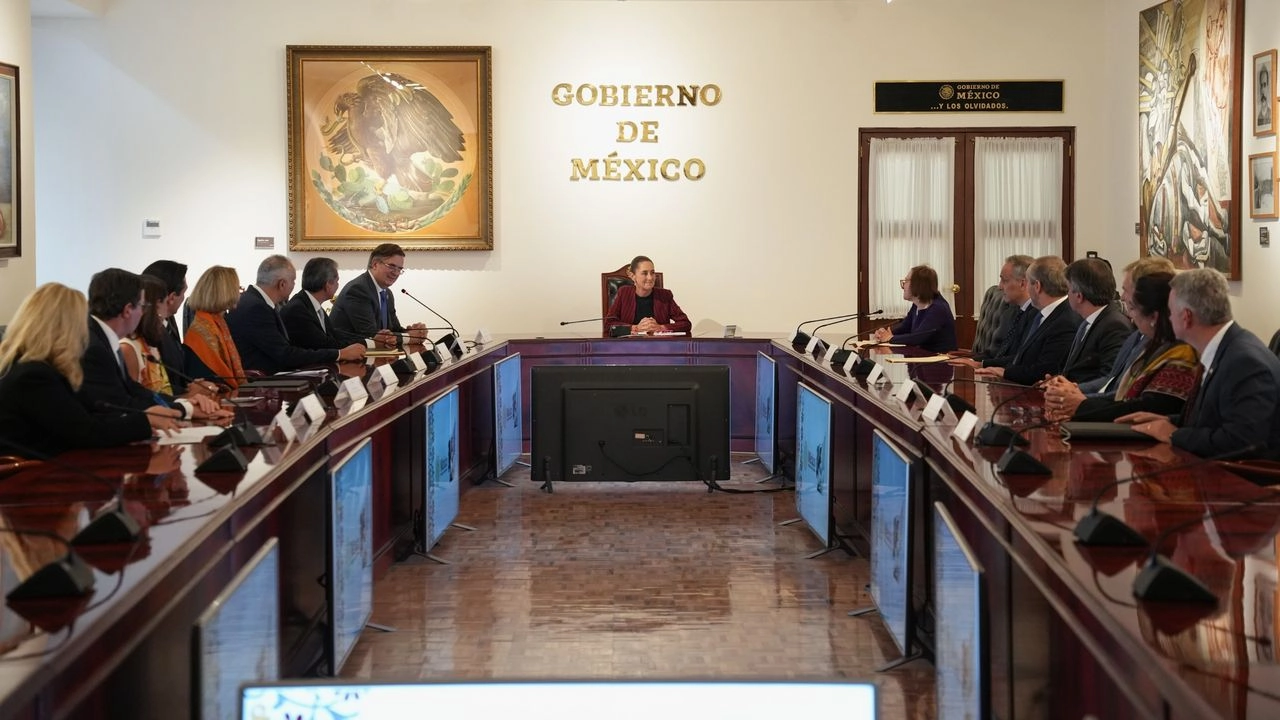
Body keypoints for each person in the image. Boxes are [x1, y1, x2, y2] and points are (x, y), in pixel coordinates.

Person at [1119, 269, 1280, 460]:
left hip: (1244, 481)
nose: (1168, 318)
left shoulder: (1245, 362)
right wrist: (1169, 421)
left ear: (1186, 317)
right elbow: (1213, 420)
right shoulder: (1225, 347)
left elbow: (1242, 441)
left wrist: (1173, 433)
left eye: (1170, 312)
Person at [0, 283, 172, 458]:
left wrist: (141, 419)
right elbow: (86, 432)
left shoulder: (34, 366)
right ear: (65, 328)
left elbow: (86, 418)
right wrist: (144, 421)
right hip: (28, 477)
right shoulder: (33, 376)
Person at [1045, 272, 1197, 423]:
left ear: (1154, 317)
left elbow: (1151, 406)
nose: (1131, 316)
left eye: (1133, 309)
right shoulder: (1152, 344)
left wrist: (1081, 406)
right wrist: (1075, 401)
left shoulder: (1182, 352)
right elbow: (1122, 396)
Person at [79, 268, 222, 421]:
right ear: (128, 310)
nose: (143, 313)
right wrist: (182, 409)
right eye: (142, 306)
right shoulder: (94, 348)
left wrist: (185, 405)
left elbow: (136, 391)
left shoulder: (102, 339)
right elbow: (118, 404)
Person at [1040, 256, 1177, 405]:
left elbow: (1130, 398)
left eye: (1126, 290)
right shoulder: (1137, 335)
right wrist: (1066, 388)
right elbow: (1113, 381)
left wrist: (1078, 397)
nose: (1122, 297)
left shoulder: (1117, 326)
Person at [226, 255, 365, 374]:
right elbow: (285, 354)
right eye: (293, 281)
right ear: (282, 284)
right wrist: (340, 354)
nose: (294, 286)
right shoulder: (256, 308)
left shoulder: (254, 301)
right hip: (262, 383)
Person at [974, 256, 1080, 385]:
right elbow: (1024, 357)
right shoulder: (1043, 314)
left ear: (1037, 286)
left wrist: (1005, 372)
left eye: (1028, 283)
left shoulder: (1065, 321)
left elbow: (1045, 370)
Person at [330, 243, 428, 348]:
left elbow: (394, 330)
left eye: (399, 269)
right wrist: (409, 337)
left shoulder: (387, 293)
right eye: (391, 266)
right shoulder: (358, 290)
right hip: (345, 358)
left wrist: (414, 332)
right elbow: (371, 335)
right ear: (375, 264)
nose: (395, 273)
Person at [951, 255, 1036, 369]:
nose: (1000, 287)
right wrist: (968, 360)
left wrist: (981, 364)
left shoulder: (1037, 315)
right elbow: (994, 352)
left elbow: (1021, 358)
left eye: (1004, 280)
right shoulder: (1010, 311)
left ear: (1023, 283)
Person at [1058, 257, 1132, 384]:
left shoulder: (1114, 325)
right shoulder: (1087, 320)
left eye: (1068, 289)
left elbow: (1109, 379)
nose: (1067, 294)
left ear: (1079, 296)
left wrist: (1070, 388)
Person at [184, 266, 247, 389]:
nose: (239, 292)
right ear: (226, 292)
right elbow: (215, 376)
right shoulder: (203, 329)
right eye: (237, 288)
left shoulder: (217, 321)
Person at [872, 265, 956, 353]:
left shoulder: (938, 308)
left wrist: (890, 338)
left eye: (906, 281)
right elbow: (904, 328)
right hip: (921, 359)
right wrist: (883, 334)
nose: (903, 286)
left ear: (918, 284)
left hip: (939, 362)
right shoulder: (916, 305)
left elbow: (917, 338)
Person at [604, 255, 692, 336]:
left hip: (659, 347)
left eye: (652, 273)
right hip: (629, 347)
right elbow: (608, 325)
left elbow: (686, 324)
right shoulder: (623, 293)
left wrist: (661, 327)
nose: (650, 278)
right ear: (632, 276)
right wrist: (635, 328)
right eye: (645, 273)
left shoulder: (665, 295)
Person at [120, 274, 176, 395]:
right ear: (154, 308)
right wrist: (186, 403)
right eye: (166, 303)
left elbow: (163, 392)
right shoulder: (128, 348)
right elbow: (137, 400)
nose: (164, 317)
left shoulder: (149, 346)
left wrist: (190, 396)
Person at [281, 257, 342, 350]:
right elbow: (324, 344)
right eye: (337, 281)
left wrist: (366, 341)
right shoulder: (297, 309)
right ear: (328, 284)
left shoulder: (312, 304)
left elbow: (334, 334)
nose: (338, 285)